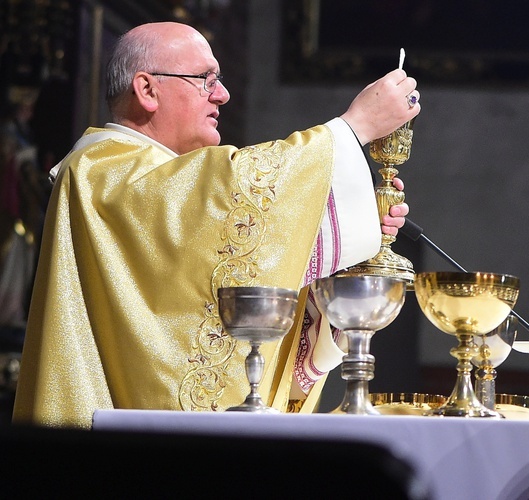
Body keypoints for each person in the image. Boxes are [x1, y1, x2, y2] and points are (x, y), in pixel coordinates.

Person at [12, 21, 420, 428]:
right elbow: (217, 194)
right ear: (147, 89)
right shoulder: (99, 172)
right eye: (205, 79)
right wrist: (354, 128)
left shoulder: (150, 178)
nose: (222, 94)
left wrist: (338, 240)